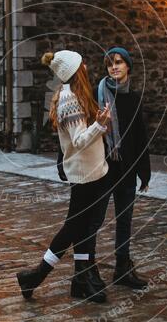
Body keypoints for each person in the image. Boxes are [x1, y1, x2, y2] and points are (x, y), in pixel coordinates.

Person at [16, 50, 112, 303]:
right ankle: (35, 276)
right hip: (83, 174)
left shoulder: (77, 95)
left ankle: (80, 279)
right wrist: (99, 124)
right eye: (82, 64)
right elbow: (79, 141)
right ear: (75, 70)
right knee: (73, 227)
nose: (86, 67)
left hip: (93, 171)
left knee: (81, 228)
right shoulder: (69, 100)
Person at [58, 46, 150, 289]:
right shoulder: (94, 95)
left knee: (125, 219)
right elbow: (74, 132)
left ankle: (122, 268)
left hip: (127, 169)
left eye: (119, 62)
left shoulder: (133, 97)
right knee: (93, 222)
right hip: (103, 169)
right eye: (110, 63)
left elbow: (140, 136)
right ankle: (88, 270)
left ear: (128, 66)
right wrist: (61, 159)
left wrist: (144, 171)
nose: (115, 67)